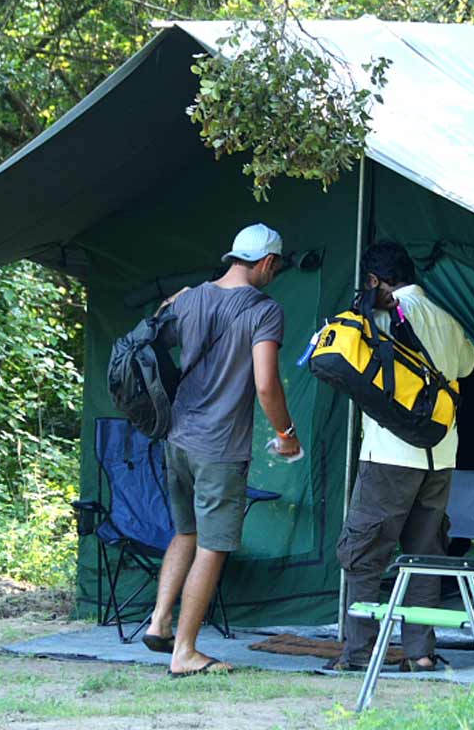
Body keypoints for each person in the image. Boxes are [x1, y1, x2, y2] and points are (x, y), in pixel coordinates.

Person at [143, 223, 301, 677]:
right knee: (212, 546)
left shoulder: (189, 298)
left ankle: (159, 622)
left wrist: (175, 301)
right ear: (268, 263)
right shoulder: (265, 310)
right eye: (277, 267)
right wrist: (286, 433)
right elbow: (266, 383)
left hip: (177, 437)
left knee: (185, 532)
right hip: (219, 446)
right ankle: (186, 652)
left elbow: (157, 332)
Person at [333, 240, 474, 672]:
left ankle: (359, 655)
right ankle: (420, 653)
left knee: (363, 552)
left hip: (390, 455)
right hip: (440, 455)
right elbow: (468, 366)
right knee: (424, 554)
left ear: (376, 281)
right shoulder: (448, 321)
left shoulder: (375, 320)